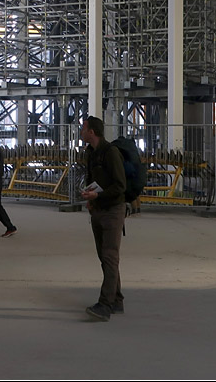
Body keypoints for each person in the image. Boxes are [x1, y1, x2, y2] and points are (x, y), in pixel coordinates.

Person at [79, 116, 127, 322]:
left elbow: (120, 185)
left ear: (92, 132)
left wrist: (98, 196)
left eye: (84, 129)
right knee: (105, 258)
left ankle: (105, 305)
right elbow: (94, 179)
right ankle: (116, 299)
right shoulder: (91, 153)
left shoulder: (111, 152)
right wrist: (91, 197)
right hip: (97, 209)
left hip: (112, 211)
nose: (81, 132)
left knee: (109, 257)